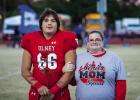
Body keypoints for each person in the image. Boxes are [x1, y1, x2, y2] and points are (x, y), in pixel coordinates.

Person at [21, 8, 78, 100]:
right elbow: (25, 70)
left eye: (53, 20)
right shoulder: (30, 38)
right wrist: (39, 86)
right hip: (37, 91)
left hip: (60, 92)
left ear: (57, 24)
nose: (49, 23)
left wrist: (53, 91)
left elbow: (70, 71)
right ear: (41, 24)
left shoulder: (67, 38)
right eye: (46, 20)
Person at [74, 30, 126, 100]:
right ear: (88, 42)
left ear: (102, 41)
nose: (94, 42)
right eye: (91, 40)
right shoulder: (78, 58)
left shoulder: (115, 58)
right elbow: (72, 81)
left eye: (97, 39)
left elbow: (121, 84)